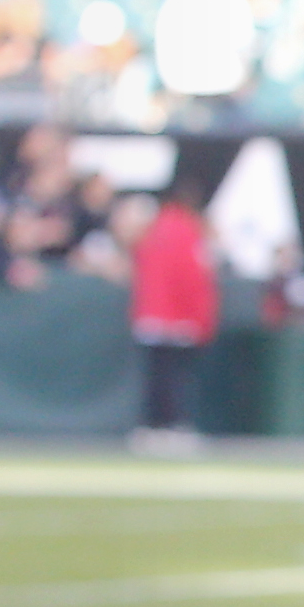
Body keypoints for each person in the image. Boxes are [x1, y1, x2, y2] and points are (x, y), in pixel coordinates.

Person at [128, 177, 217, 440]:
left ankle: (153, 425)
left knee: (157, 375)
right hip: (176, 317)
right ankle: (170, 425)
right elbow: (192, 278)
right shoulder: (186, 231)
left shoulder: (155, 227)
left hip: (151, 315)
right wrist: (198, 318)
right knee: (174, 377)